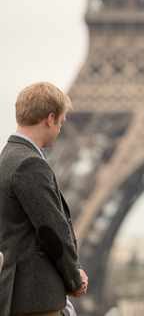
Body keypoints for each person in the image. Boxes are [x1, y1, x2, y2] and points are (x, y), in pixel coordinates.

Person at [0, 82, 88, 316]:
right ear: (50, 119)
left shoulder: (7, 157)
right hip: (36, 298)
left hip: (16, 292)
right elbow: (52, 230)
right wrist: (74, 278)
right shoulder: (29, 163)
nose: (60, 129)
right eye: (61, 122)